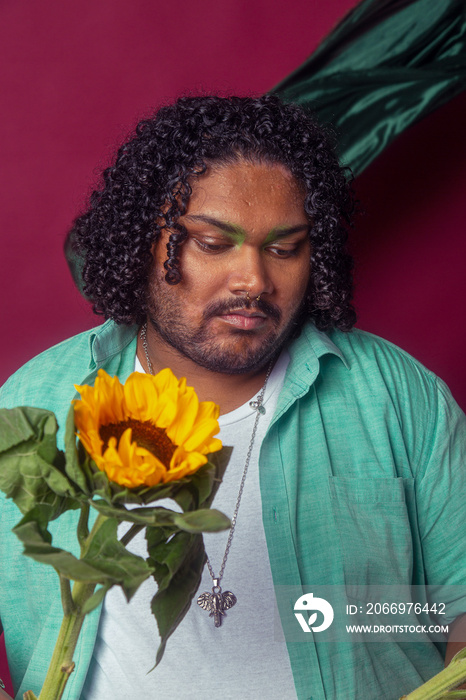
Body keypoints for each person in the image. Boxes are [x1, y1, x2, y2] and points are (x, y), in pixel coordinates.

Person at [1, 94, 465, 700]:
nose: (253, 280)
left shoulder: (397, 397)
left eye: (283, 247)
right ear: (144, 241)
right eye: (213, 243)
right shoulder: (33, 404)